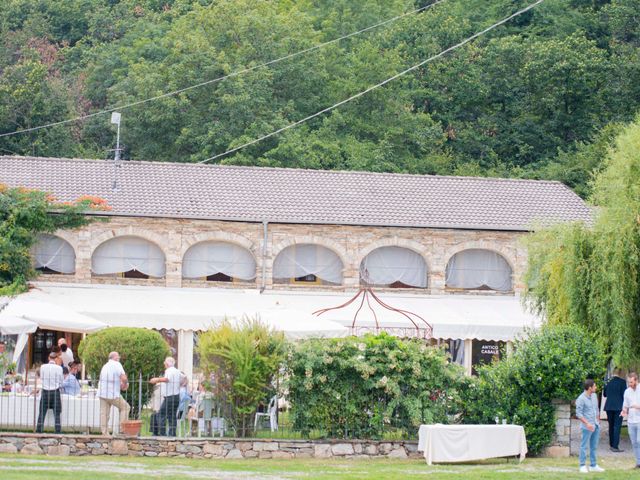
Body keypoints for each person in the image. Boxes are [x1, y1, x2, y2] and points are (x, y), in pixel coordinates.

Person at [97, 351, 131, 436]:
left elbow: (111, 380)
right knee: (125, 407)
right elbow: (123, 377)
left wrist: (120, 384)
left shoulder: (105, 366)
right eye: (118, 357)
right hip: (112, 393)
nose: (119, 358)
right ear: (115, 358)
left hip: (102, 392)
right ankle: (122, 430)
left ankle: (104, 433)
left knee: (104, 413)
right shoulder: (117, 364)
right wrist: (125, 384)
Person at [576, 379, 605, 473]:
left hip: (595, 425)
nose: (596, 388)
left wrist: (598, 419)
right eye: (595, 386)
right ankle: (582, 465)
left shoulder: (594, 396)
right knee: (584, 446)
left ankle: (593, 465)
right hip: (586, 427)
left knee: (594, 446)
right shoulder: (581, 398)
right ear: (589, 388)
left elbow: (596, 409)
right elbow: (579, 414)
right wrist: (587, 423)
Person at [150, 357, 184, 436]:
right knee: (172, 416)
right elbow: (184, 378)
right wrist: (179, 385)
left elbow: (166, 379)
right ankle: (172, 434)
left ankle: (162, 433)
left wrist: (156, 379)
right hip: (176, 397)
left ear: (167, 363)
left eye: (165, 363)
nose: (164, 364)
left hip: (169, 397)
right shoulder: (177, 371)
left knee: (161, 414)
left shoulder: (168, 370)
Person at [36, 352, 64, 433]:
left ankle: (39, 430)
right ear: (56, 359)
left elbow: (41, 378)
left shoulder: (42, 367)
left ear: (49, 358)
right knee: (57, 413)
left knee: (42, 412)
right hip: (55, 392)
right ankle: (58, 431)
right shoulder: (59, 368)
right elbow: (61, 382)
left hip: (45, 392)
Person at [603, 369, 627, 452]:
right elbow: (624, 395)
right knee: (617, 426)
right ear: (621, 373)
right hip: (618, 407)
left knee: (611, 425)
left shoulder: (607, 381)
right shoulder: (622, 382)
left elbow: (605, 394)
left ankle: (611, 444)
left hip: (609, 406)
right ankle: (615, 446)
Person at [622, 372, 640, 469]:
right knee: (634, 442)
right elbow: (625, 405)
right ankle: (638, 463)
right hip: (631, 421)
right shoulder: (627, 392)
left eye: (631, 382)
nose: (630, 384)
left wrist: (637, 406)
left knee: (639, 440)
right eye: (629, 382)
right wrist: (624, 411)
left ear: (636, 380)